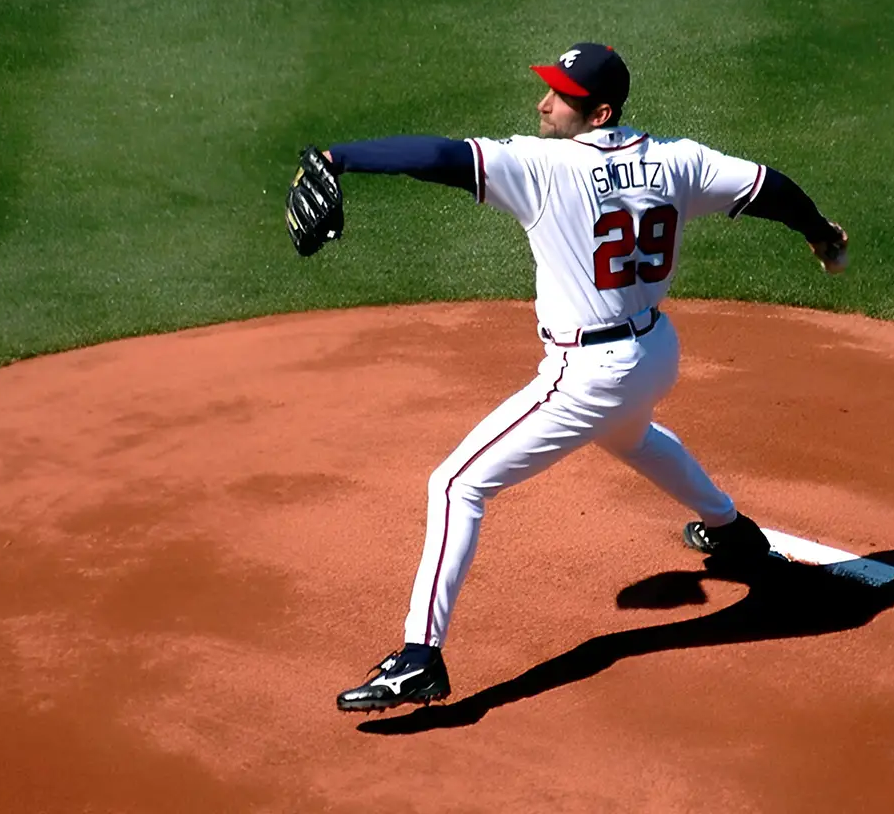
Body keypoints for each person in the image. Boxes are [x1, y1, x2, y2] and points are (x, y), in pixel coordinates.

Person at [322, 43, 849, 712]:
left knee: (456, 483)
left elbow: (441, 157)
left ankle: (419, 658)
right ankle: (729, 529)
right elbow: (767, 186)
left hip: (588, 372)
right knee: (630, 435)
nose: (543, 102)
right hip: (654, 352)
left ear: (598, 112)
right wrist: (819, 233)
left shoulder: (543, 167)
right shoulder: (678, 160)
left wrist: (341, 156)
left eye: (560, 96)